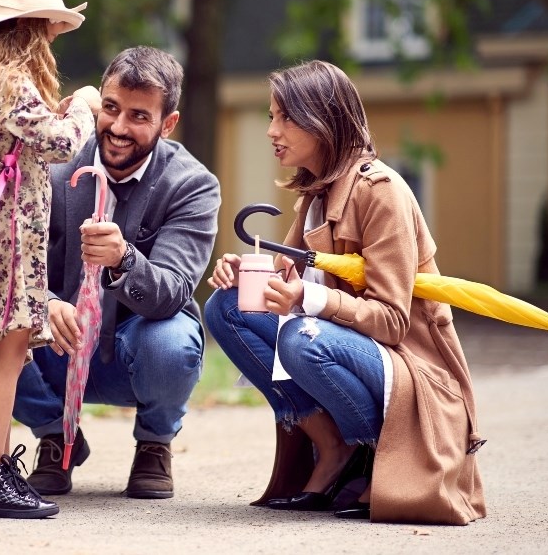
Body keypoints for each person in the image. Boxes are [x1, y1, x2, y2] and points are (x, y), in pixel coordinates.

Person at [203, 60, 486, 524]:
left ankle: (377, 450)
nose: (272, 130)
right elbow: (286, 284)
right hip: (351, 349)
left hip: (413, 372)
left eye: (285, 118)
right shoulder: (317, 194)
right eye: (271, 116)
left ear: (323, 119)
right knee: (227, 308)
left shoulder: (382, 191)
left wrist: (307, 302)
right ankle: (331, 445)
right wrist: (243, 274)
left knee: (301, 338)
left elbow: (393, 321)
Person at [9, 46, 221, 500]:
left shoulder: (191, 185)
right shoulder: (54, 164)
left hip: (134, 351)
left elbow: (173, 292)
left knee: (172, 342)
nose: (118, 128)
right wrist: (44, 302)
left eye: (139, 116)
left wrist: (125, 259)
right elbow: (16, 265)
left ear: (168, 124)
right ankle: (55, 435)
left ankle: (153, 444)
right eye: (111, 108)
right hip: (59, 346)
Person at [0, 0, 100, 520]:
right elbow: (60, 143)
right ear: (27, 28)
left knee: (2, 356)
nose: (53, 39)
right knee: (8, 357)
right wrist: (83, 105)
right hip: (12, 239)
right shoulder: (12, 84)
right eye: (48, 28)